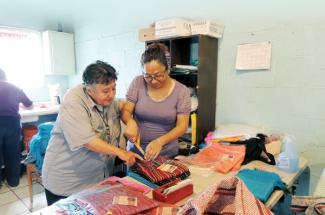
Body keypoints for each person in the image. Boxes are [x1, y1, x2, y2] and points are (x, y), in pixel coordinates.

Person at [42, 61, 142, 205]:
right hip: (67, 182)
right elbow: (88, 141)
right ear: (89, 91)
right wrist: (122, 152)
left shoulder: (107, 100)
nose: (111, 94)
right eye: (106, 91)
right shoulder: (74, 101)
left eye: (114, 88)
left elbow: (123, 105)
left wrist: (131, 122)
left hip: (96, 180)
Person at [122, 43, 191, 161]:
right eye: (147, 76)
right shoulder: (137, 82)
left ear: (167, 69)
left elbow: (182, 126)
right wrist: (130, 122)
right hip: (136, 153)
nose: (153, 81)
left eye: (158, 75)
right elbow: (126, 110)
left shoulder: (181, 91)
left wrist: (159, 142)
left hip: (167, 154)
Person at [0, 68, 33, 187]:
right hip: (12, 123)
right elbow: (29, 105)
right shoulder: (15, 88)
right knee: (13, 154)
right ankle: (13, 182)